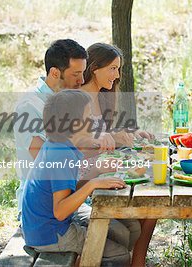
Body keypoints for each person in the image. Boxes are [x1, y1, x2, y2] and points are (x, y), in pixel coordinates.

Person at [22, 90, 137, 266]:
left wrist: (95, 176)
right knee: (119, 254)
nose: (92, 120)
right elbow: (60, 212)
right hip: (49, 234)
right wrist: (92, 184)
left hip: (43, 226)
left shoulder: (61, 146)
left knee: (125, 231)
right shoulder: (61, 154)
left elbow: (67, 190)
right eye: (88, 116)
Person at [13, 39, 116, 219]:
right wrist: (94, 165)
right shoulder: (30, 107)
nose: (82, 80)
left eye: (83, 73)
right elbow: (49, 163)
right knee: (115, 222)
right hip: (43, 208)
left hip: (68, 192)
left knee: (126, 220)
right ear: (54, 73)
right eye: (76, 74)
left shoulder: (69, 102)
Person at [81, 42, 157, 266]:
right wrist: (115, 140)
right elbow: (80, 146)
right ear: (94, 68)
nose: (116, 75)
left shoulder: (102, 96)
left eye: (118, 69)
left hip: (103, 168)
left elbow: (101, 133)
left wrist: (131, 133)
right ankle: (132, 260)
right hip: (85, 177)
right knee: (147, 205)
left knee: (151, 200)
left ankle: (137, 261)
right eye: (112, 69)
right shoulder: (79, 99)